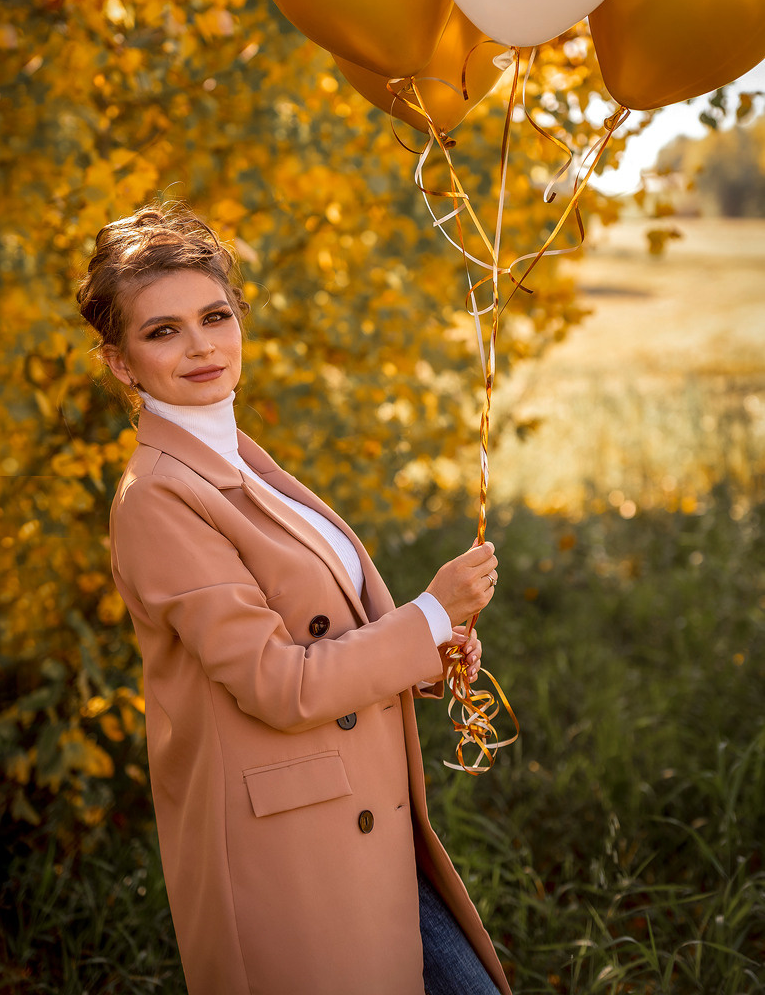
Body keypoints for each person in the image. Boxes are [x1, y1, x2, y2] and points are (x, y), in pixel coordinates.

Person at [77, 203, 512, 995]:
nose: (202, 346)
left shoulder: (237, 457)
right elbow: (279, 683)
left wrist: (429, 650)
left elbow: (334, 627)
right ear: (120, 362)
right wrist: (427, 616)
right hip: (291, 856)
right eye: (163, 331)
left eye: (215, 316)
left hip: (363, 824)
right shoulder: (157, 501)